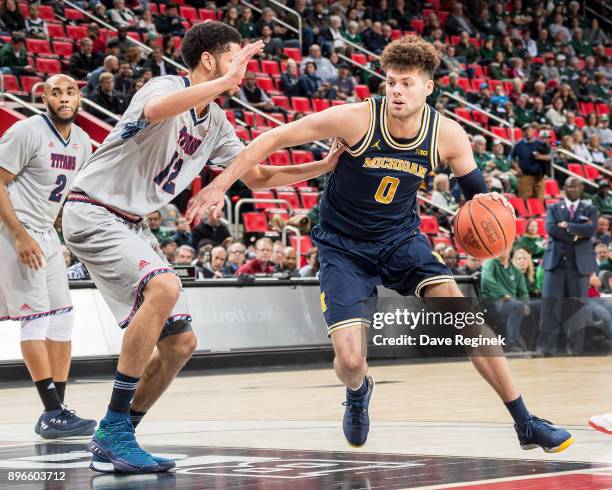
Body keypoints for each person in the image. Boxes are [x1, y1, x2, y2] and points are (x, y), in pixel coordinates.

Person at [190, 34, 573, 453]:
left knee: (464, 319)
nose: (396, 90)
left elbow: (476, 195)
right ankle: (357, 391)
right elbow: (271, 140)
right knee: (351, 361)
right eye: (390, 81)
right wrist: (220, 186)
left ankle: (525, 422)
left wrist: (491, 202)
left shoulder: (448, 135)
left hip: (399, 240)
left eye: (407, 82)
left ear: (428, 86)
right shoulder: (355, 119)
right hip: (343, 247)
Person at [63, 22, 343, 474]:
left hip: (132, 224)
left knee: (181, 344)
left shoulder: (215, 121)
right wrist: (226, 81)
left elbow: (256, 176)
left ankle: (116, 435)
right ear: (210, 60)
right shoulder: (165, 85)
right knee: (164, 286)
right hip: (92, 208)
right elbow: (157, 110)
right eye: (235, 57)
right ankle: (114, 427)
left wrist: (323, 165)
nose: (243, 69)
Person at [0, 75, 95, 439]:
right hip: (16, 231)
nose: (64, 97)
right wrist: (20, 235)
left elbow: (68, 194)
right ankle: (51, 410)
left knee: (63, 319)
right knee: (36, 320)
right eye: (56, 92)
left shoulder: (83, 142)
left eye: (70, 91)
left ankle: (59, 410)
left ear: (78, 97)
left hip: (46, 233)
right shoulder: (26, 132)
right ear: (44, 98)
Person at [537, 177, 598, 356]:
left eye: (575, 186)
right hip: (555, 264)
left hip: (579, 266)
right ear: (563, 189)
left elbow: (590, 230)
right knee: (550, 307)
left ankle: (575, 348)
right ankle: (545, 348)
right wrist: (576, 233)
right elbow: (551, 229)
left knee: (577, 308)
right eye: (568, 186)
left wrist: (568, 226)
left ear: (581, 188)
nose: (571, 189)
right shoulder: (554, 208)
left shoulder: (590, 209)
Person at [481, 251, 530, 351]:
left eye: (506, 247)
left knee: (539, 305)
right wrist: (502, 294)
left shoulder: (516, 271)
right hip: (494, 302)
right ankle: (511, 343)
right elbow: (486, 279)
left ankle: (537, 345)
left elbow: (523, 292)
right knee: (517, 306)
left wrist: (526, 304)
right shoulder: (491, 262)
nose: (503, 250)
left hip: (512, 302)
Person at [510, 123, 551, 199]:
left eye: (529, 130)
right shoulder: (519, 145)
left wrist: (540, 157)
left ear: (533, 131)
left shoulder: (540, 144)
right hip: (525, 176)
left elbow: (550, 156)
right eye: (525, 130)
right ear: (523, 132)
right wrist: (517, 168)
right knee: (524, 200)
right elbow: (511, 158)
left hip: (539, 177)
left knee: (539, 201)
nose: (527, 132)